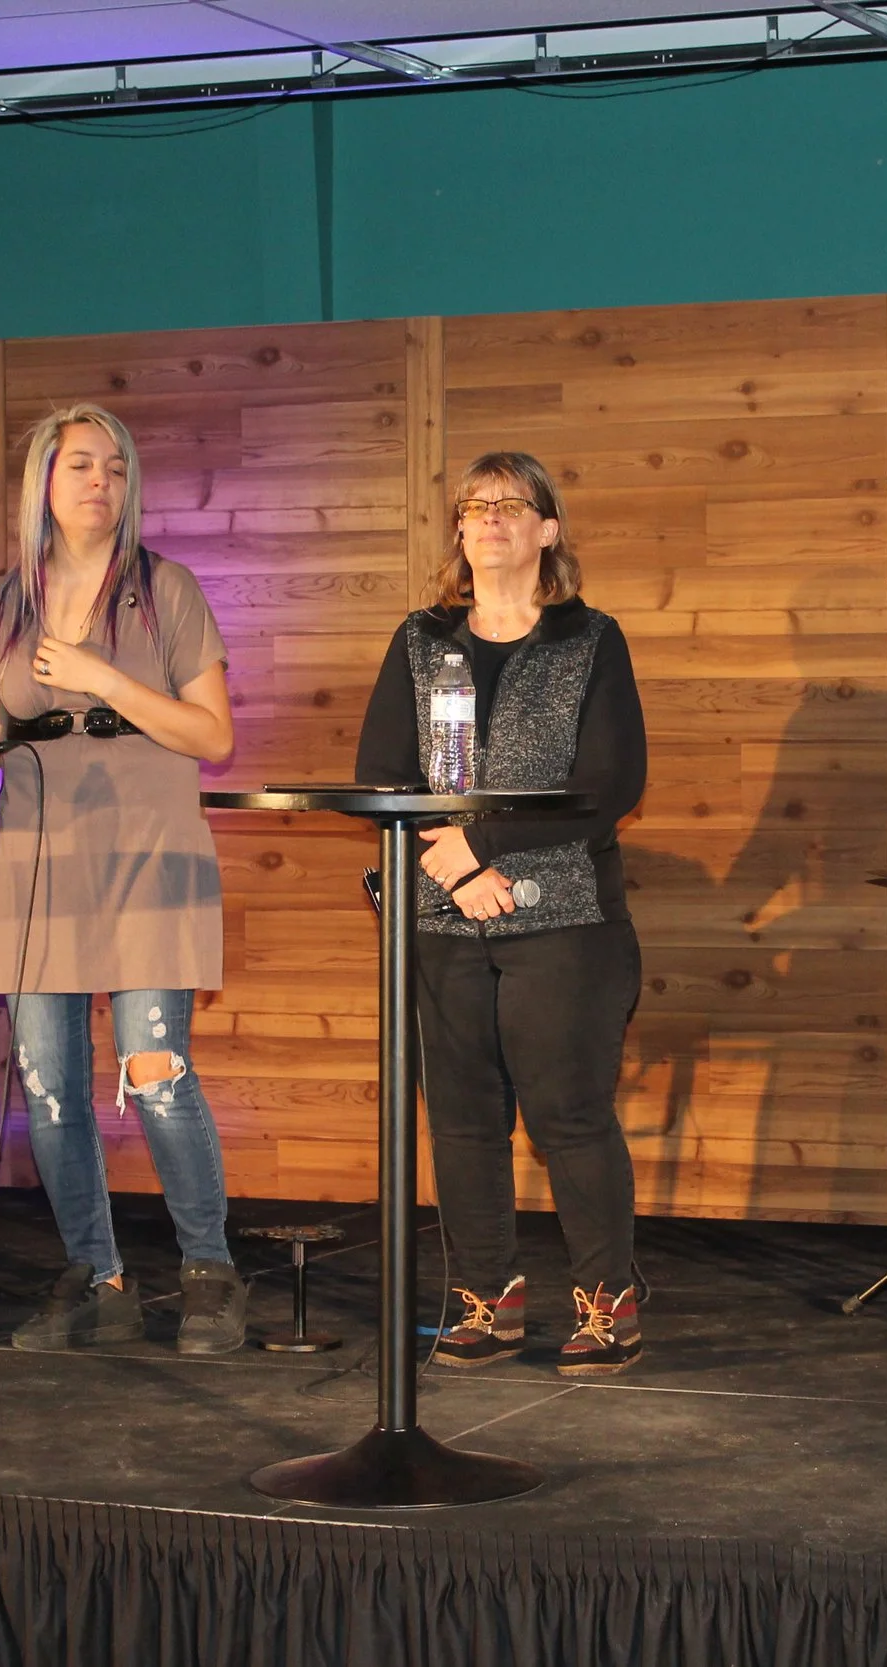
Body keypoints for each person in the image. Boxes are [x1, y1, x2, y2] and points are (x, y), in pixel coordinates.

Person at [0, 404, 246, 1355]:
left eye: (116, 468)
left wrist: (103, 679)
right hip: (42, 859)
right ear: (43, 479)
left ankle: (209, 1273)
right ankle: (98, 1278)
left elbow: (213, 735)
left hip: (151, 849)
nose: (101, 482)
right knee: (50, 1087)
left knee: (156, 1072)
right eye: (81, 465)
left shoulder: (166, 590)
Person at [354, 451, 649, 1376]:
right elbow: (382, 772)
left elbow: (609, 784)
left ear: (547, 530)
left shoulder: (590, 639)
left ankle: (606, 1306)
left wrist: (480, 849)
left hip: (563, 920)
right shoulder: (421, 640)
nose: (488, 519)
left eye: (511, 505)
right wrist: (452, 869)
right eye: (474, 505)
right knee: (462, 1122)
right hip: (443, 921)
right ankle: (489, 1298)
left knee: (569, 1118)